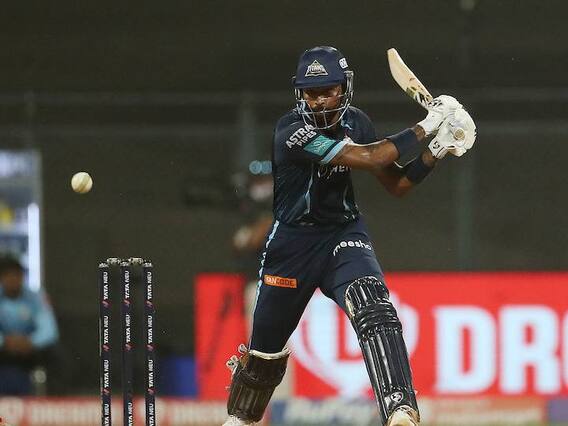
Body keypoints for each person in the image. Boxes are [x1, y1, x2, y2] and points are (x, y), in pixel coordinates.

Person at [222, 46, 476, 426]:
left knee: (374, 307)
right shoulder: (292, 131)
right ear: (300, 93)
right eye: (311, 93)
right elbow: (371, 157)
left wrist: (437, 150)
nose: (320, 101)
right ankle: (241, 419)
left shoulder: (357, 123)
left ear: (344, 88)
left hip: (343, 234)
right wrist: (429, 124)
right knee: (264, 355)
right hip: (292, 244)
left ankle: (400, 411)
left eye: (328, 90)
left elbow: (397, 184)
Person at [0, 257, 60, 395]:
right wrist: (5, 341)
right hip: (4, 349)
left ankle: (57, 399)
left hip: (29, 349)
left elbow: (49, 330)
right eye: (8, 275)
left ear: (23, 277)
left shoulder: (36, 297)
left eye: (16, 275)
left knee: (57, 355)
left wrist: (31, 342)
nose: (13, 280)